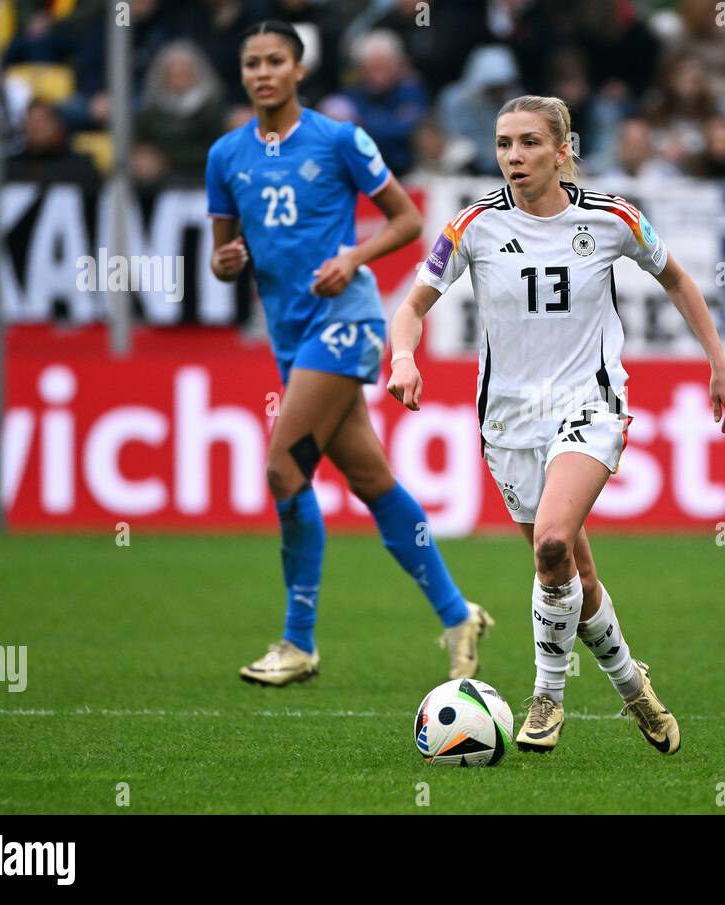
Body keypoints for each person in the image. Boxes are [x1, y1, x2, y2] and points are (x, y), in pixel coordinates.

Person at [387, 95, 725, 755]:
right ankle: (634, 685)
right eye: (503, 144)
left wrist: (719, 366)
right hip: (508, 424)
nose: (514, 157)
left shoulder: (611, 218)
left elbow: (680, 281)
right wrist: (404, 355)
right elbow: (411, 306)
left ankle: (547, 695)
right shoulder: (472, 226)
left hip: (591, 402)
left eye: (528, 143)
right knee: (573, 570)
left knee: (551, 543)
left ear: (562, 149)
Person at [204, 20, 492, 687]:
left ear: (299, 69)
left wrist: (353, 256)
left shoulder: (338, 139)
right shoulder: (225, 156)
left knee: (283, 470)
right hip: (289, 333)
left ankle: (298, 640)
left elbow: (408, 220)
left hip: (348, 319)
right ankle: (457, 614)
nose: (263, 72)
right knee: (370, 480)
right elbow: (226, 261)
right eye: (252, 63)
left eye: (276, 60)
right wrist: (226, 261)